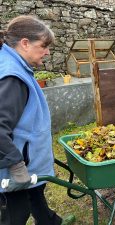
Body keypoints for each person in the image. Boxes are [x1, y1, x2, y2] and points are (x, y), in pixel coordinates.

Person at [0, 15, 75, 225]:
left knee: (36, 196)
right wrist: (16, 166)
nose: (48, 52)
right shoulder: (12, 78)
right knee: (15, 216)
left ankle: (50, 222)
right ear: (25, 43)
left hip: (28, 162)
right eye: (43, 46)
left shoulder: (15, 65)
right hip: (16, 169)